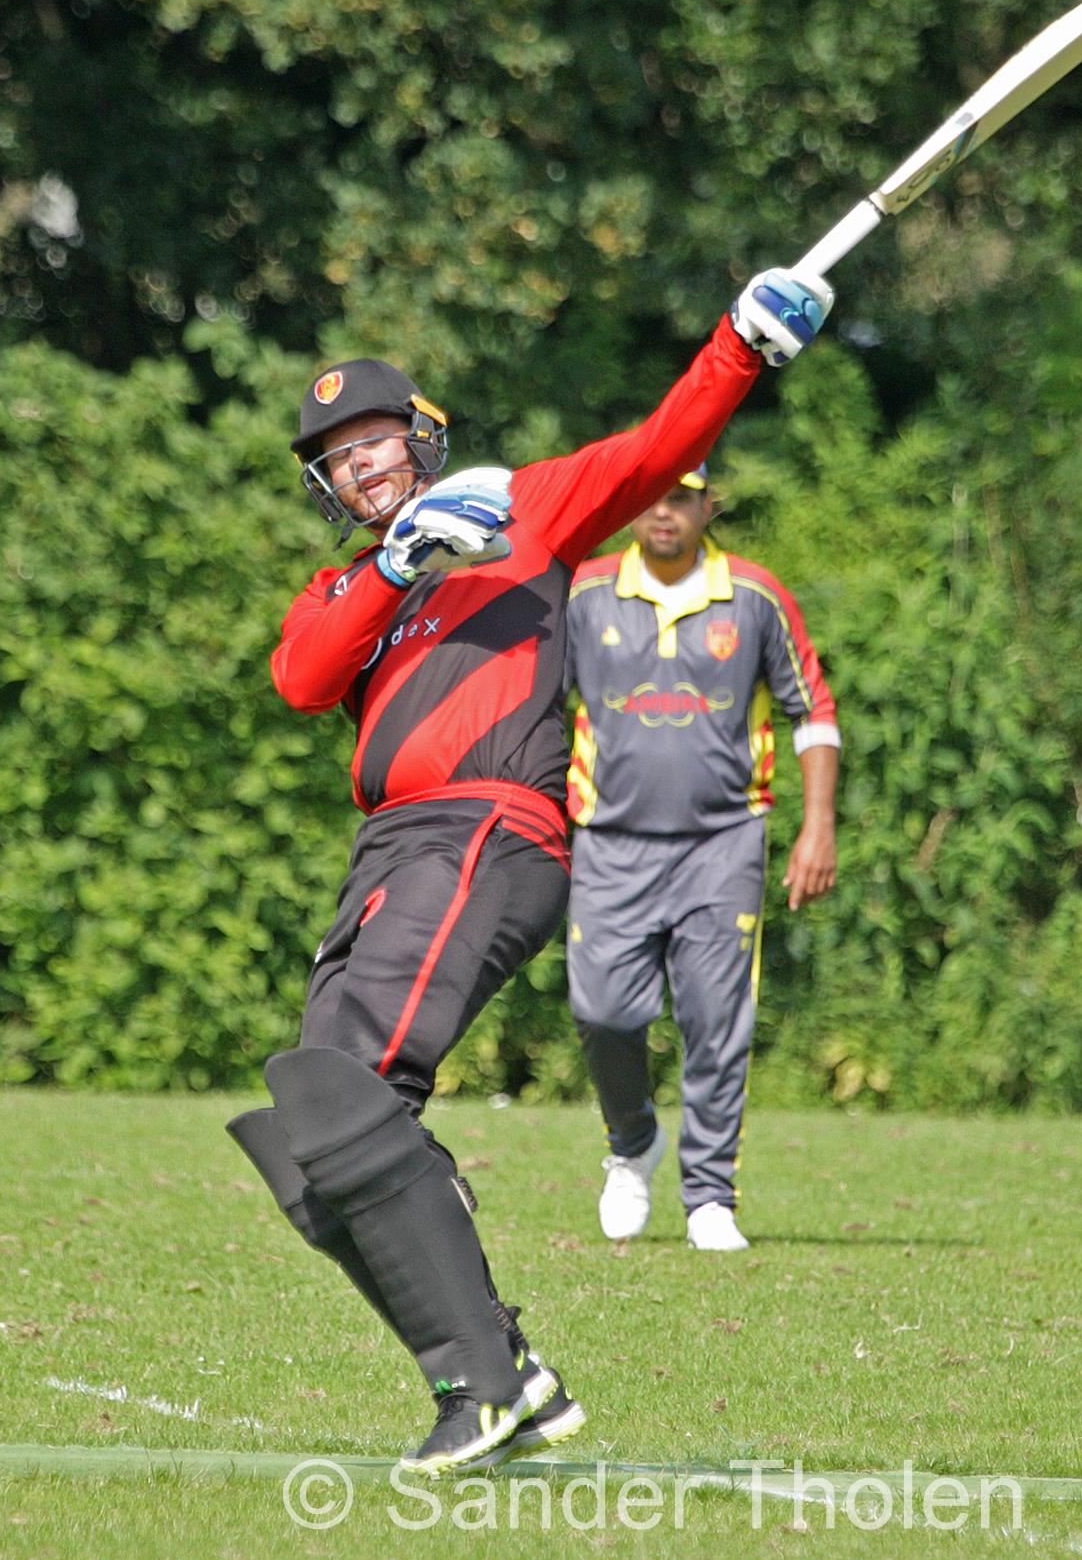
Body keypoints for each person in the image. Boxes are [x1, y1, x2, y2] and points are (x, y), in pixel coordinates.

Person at [224, 265, 834, 1476]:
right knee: (304, 1136)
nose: (360, 464)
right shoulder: (345, 585)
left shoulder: (523, 512)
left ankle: (479, 1389)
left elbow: (659, 449)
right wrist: (396, 566)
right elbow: (301, 677)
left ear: (420, 435)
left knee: (350, 1087)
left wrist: (740, 344)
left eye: (375, 438)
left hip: (484, 827)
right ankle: (513, 1372)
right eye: (338, 457)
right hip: (391, 849)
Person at [565, 470, 839, 1252]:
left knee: (716, 1020)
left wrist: (818, 825)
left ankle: (709, 1196)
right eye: (651, 494)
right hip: (609, 841)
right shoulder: (583, 594)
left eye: (681, 496)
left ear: (707, 505)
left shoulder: (753, 596)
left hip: (724, 841)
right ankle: (631, 1144)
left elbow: (812, 710)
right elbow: (535, 709)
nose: (664, 510)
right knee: (603, 1012)